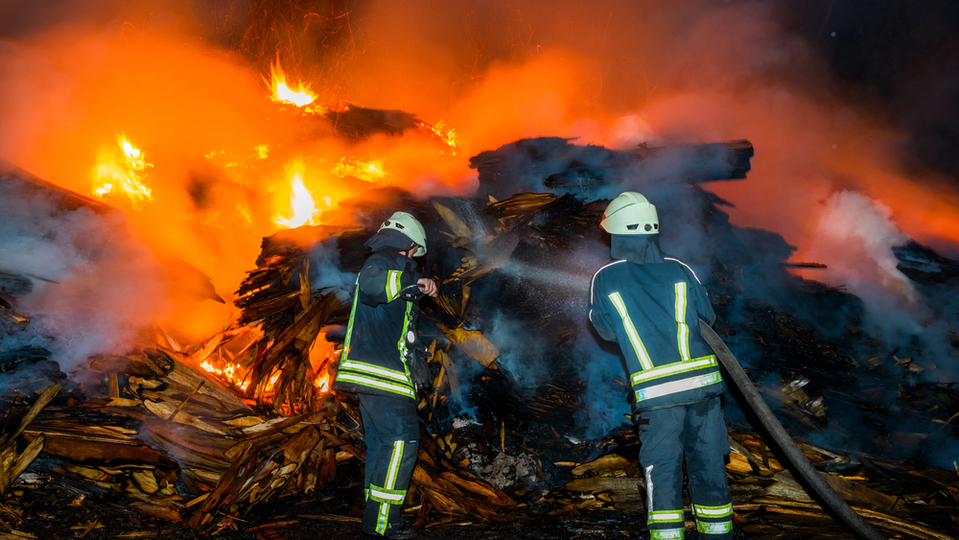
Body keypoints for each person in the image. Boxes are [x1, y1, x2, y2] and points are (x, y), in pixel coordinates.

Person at [587, 192, 733, 540]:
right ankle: (717, 534)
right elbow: (707, 318)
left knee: (663, 470)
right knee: (709, 465)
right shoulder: (681, 269)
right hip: (705, 393)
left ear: (618, 232)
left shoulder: (606, 278)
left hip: (658, 398)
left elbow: (605, 331)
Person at [332, 211, 438, 540]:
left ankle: (374, 513)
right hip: (383, 376)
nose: (413, 259)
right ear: (407, 244)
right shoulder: (381, 262)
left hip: (376, 376)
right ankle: (384, 523)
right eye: (412, 253)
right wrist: (409, 281)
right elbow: (373, 286)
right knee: (402, 443)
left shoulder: (397, 269)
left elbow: (397, 326)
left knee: (381, 446)